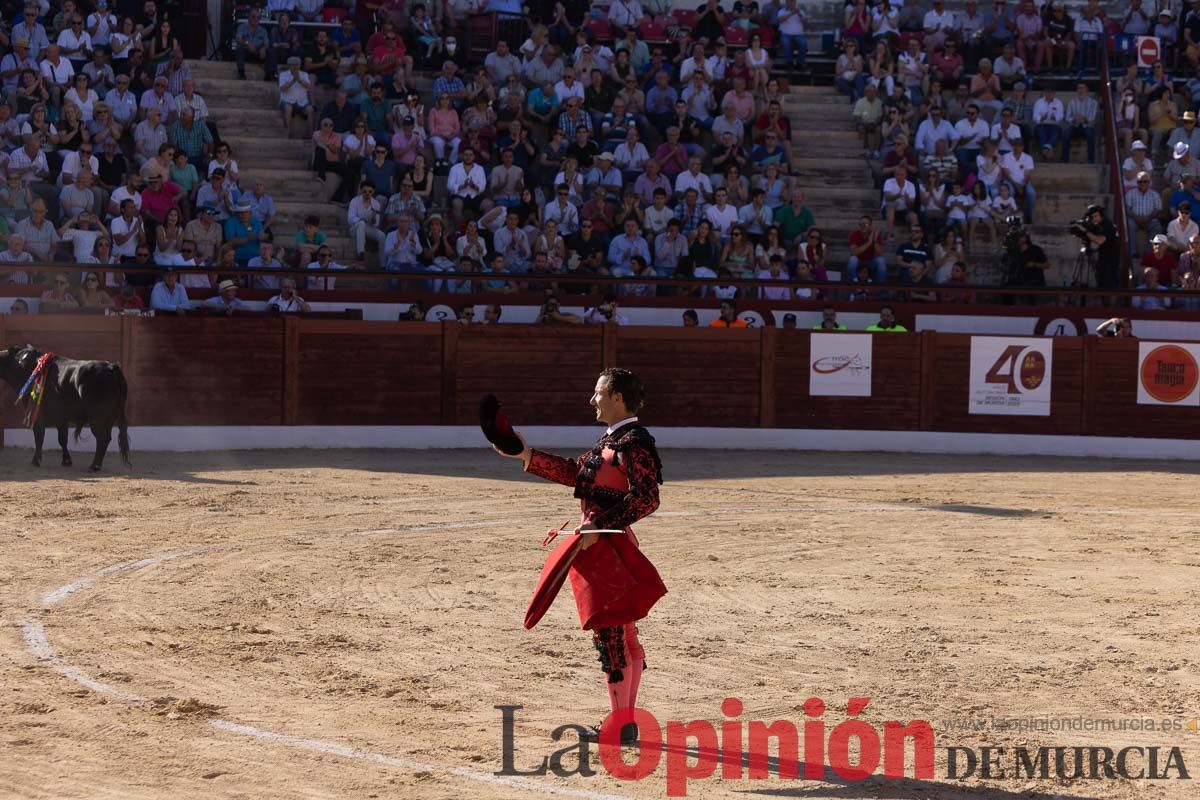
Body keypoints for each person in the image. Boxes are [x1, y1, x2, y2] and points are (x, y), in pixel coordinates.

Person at [490, 367, 664, 746]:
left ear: (618, 397)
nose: (592, 400)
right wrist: (527, 454)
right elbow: (576, 475)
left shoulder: (633, 441)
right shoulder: (615, 440)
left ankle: (620, 725)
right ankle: (626, 722)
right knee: (623, 632)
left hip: (607, 545)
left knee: (613, 636)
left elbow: (648, 497)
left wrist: (600, 525)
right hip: (607, 542)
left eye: (598, 393)